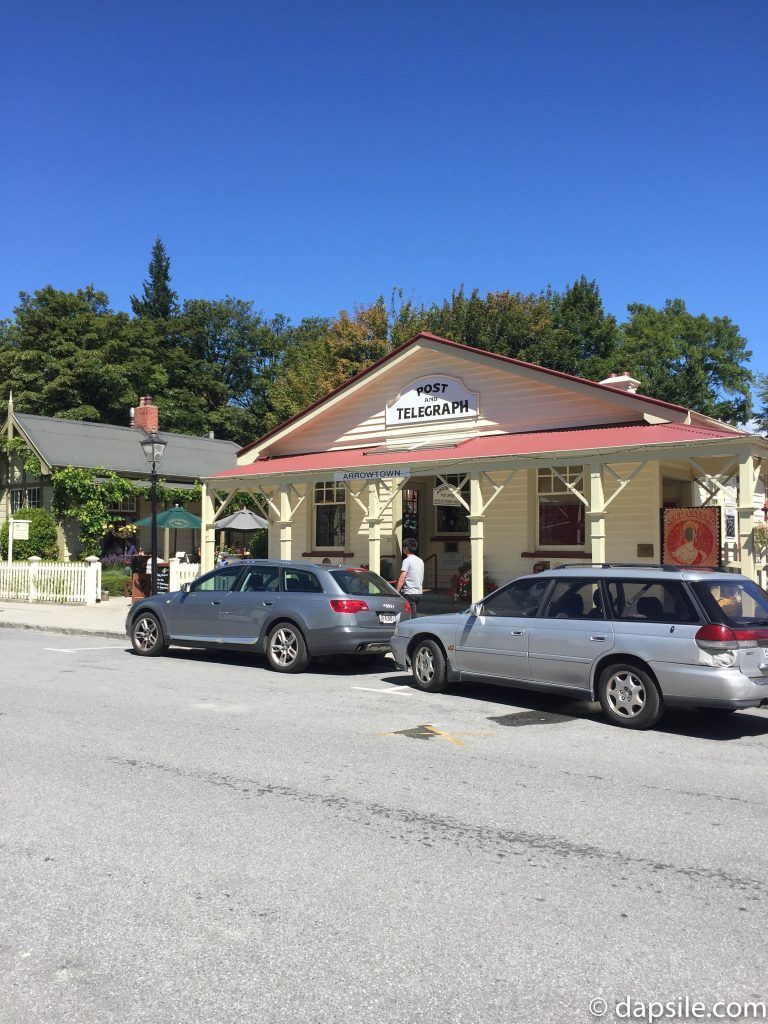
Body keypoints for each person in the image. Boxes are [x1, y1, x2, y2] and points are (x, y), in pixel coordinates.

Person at [396, 538, 424, 615]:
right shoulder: (420, 561)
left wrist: (396, 591)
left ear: (406, 548)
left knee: (411, 615)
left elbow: (402, 578)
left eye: (403, 547)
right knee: (411, 613)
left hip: (409, 592)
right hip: (418, 592)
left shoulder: (407, 561)